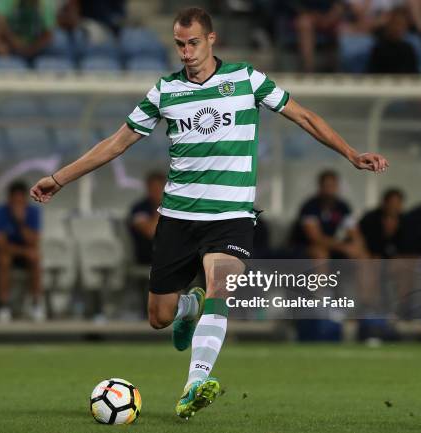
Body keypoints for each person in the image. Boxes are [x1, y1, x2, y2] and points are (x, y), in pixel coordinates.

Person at [30, 7, 388, 419]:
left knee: (222, 285)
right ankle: (188, 306)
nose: (185, 52)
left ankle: (194, 383)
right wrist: (59, 178)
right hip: (178, 217)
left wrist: (351, 153)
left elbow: (303, 116)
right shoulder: (164, 91)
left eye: (193, 43)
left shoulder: (246, 79)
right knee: (159, 317)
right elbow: (116, 143)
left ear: (211, 39)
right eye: (179, 44)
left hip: (231, 214)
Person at [0, 180, 43, 322]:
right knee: (4, 260)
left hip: (24, 253)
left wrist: (20, 222)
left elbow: (33, 241)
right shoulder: (0, 212)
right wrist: (22, 251)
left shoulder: (33, 212)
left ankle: (36, 304)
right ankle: (3, 306)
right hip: (6, 253)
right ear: (9, 199)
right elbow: (0, 243)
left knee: (35, 258)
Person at [291, 170, 368, 260]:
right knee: (320, 254)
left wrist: (358, 246)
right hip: (305, 246)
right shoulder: (309, 206)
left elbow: (354, 232)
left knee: (362, 255)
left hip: (331, 245)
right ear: (320, 187)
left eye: (332, 186)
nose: (329, 190)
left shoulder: (342, 206)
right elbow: (315, 238)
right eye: (326, 186)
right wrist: (344, 247)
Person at [128, 171, 166, 265]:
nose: (157, 191)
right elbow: (151, 232)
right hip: (149, 256)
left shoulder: (175, 208)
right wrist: (162, 205)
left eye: (160, 188)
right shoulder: (139, 209)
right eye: (154, 188)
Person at [368, 7, 419, 74]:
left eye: (401, 25)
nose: (398, 28)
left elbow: (414, 74)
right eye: (396, 24)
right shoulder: (379, 49)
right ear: (389, 25)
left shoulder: (408, 49)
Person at [359, 188, 404, 258]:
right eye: (392, 203)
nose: (394, 207)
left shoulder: (405, 221)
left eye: (397, 203)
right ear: (385, 203)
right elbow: (359, 238)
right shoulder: (370, 218)